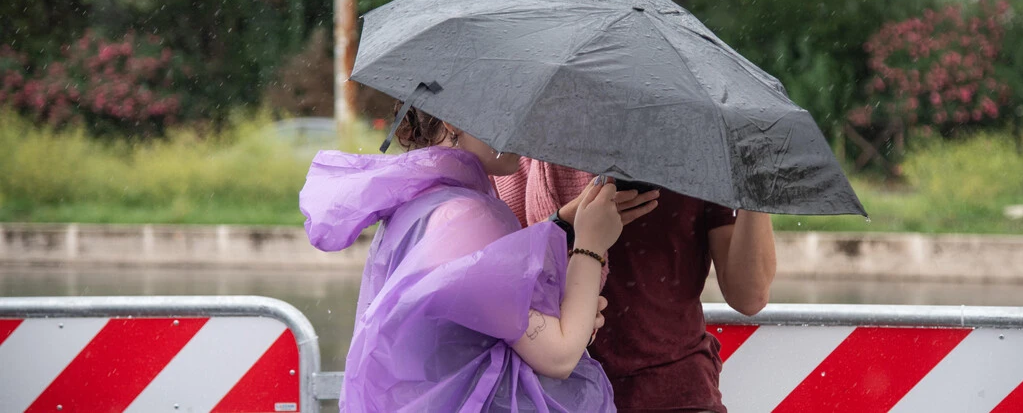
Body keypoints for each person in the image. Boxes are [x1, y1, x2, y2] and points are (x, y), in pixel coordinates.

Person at [300, 106, 640, 412]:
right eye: (508, 111)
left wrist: (562, 222)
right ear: (452, 118)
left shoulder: (421, 200)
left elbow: (468, 324)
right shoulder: (465, 214)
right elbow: (559, 354)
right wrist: (591, 243)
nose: (523, 128)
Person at [495, 159, 777, 413]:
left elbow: (749, 297)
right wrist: (569, 220)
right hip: (560, 396)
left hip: (676, 393)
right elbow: (496, 279)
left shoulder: (697, 152)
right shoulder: (517, 159)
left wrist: (753, 182)